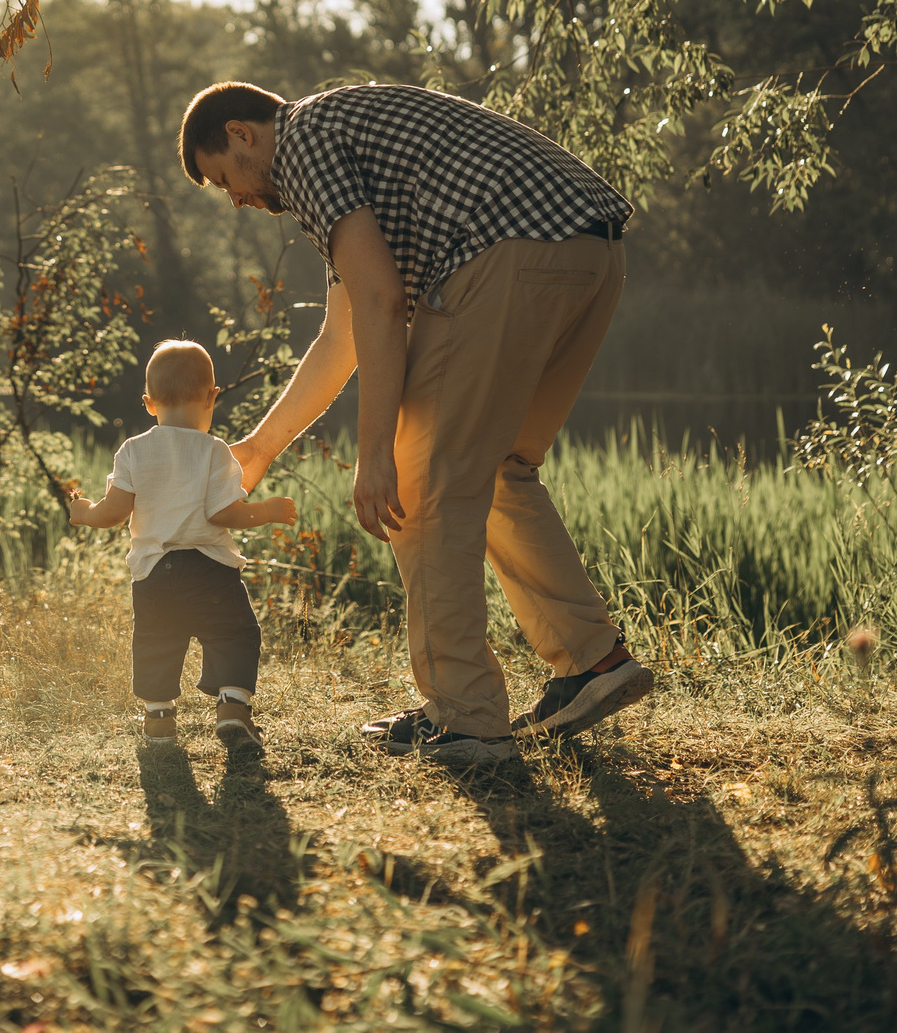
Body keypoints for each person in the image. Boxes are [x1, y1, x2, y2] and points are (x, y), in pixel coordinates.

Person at [179, 80, 652, 768]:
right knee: (497, 467)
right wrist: (259, 448)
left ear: (242, 133)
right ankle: (593, 660)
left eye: (226, 179)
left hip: (505, 252)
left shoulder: (301, 141)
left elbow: (380, 299)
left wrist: (378, 455)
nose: (238, 200)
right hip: (588, 251)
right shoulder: (346, 151)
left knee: (421, 485)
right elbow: (344, 335)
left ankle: (464, 717)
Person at [65, 339, 300, 750]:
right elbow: (223, 513)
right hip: (211, 570)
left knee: (156, 641)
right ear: (212, 397)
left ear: (149, 403)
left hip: (155, 573)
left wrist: (84, 512)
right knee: (234, 633)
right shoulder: (214, 450)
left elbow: (114, 512)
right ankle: (232, 708)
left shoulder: (133, 450)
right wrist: (266, 510)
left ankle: (158, 719)